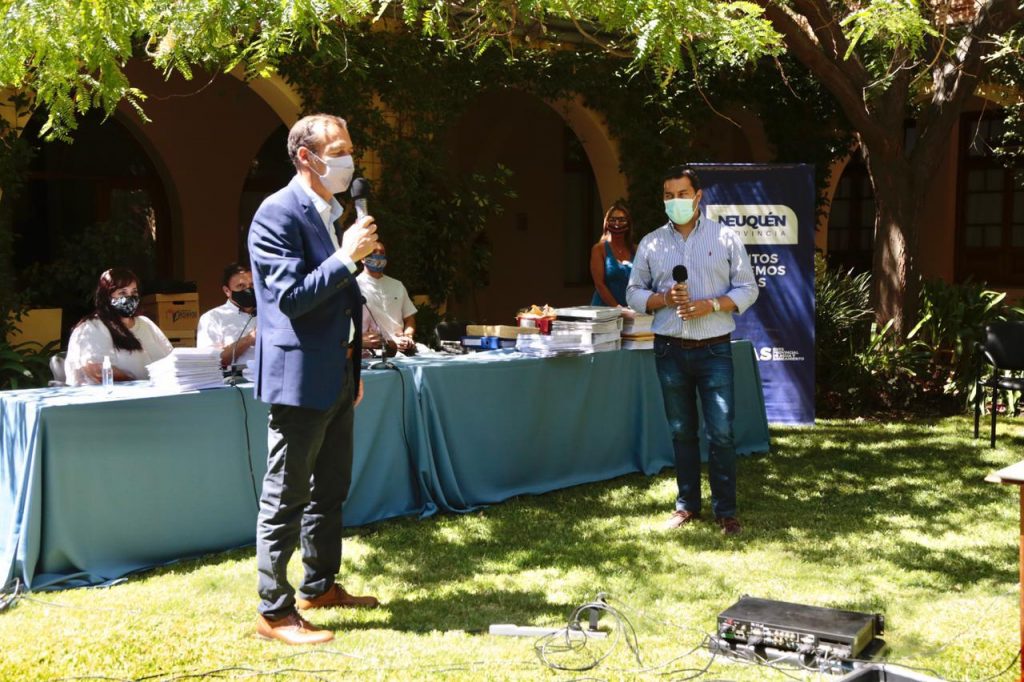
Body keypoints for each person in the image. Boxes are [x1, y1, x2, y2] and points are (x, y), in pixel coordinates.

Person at [247, 113, 380, 645]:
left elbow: (341, 303)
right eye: (339, 151)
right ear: (306, 157)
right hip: (298, 377)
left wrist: (353, 369)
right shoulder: (276, 213)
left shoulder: (332, 212)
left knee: (330, 489)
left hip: (336, 373)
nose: (350, 161)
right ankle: (274, 612)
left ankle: (319, 586)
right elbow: (291, 298)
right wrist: (347, 256)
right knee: (286, 495)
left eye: (350, 150)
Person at [625, 165, 758, 535]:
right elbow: (633, 293)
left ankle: (725, 512)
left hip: (714, 349)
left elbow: (748, 288)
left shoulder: (725, 237)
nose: (675, 201)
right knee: (682, 431)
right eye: (669, 195)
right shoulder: (651, 243)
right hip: (669, 350)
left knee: (721, 432)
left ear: (698, 196)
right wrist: (664, 298)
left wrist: (711, 305)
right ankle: (686, 506)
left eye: (682, 194)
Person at [64, 268, 173, 386]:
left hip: (159, 392)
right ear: (107, 296)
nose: (130, 297)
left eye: (134, 292)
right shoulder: (93, 327)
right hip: (119, 395)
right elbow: (97, 371)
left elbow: (172, 358)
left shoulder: (145, 323)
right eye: (122, 293)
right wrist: (139, 386)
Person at [358, 242, 417, 355]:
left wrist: (408, 337)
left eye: (382, 253)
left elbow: (409, 318)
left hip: (401, 351)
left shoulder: (397, 285)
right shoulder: (354, 286)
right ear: (362, 258)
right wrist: (359, 340)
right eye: (373, 252)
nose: (378, 256)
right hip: (369, 351)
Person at [196, 263, 257, 369]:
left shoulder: (270, 315)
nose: (248, 290)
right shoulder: (213, 318)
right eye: (241, 286)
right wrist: (249, 339)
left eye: (252, 285)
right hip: (234, 377)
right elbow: (209, 361)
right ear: (227, 291)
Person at [590, 202, 635, 308]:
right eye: (613, 220)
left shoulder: (636, 250)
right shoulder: (599, 249)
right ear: (606, 223)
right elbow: (599, 284)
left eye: (622, 220)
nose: (617, 224)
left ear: (628, 224)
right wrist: (618, 308)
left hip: (630, 310)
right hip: (603, 310)